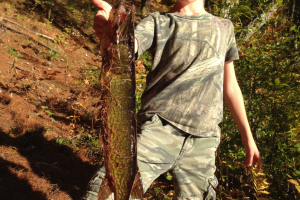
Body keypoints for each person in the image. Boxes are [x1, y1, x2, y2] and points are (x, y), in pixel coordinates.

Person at [83, 0, 262, 199]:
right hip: (158, 129)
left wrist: (247, 137)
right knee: (106, 191)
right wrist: (114, 32)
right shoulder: (158, 21)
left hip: (204, 140)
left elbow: (230, 86)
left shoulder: (224, 27)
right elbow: (129, 46)